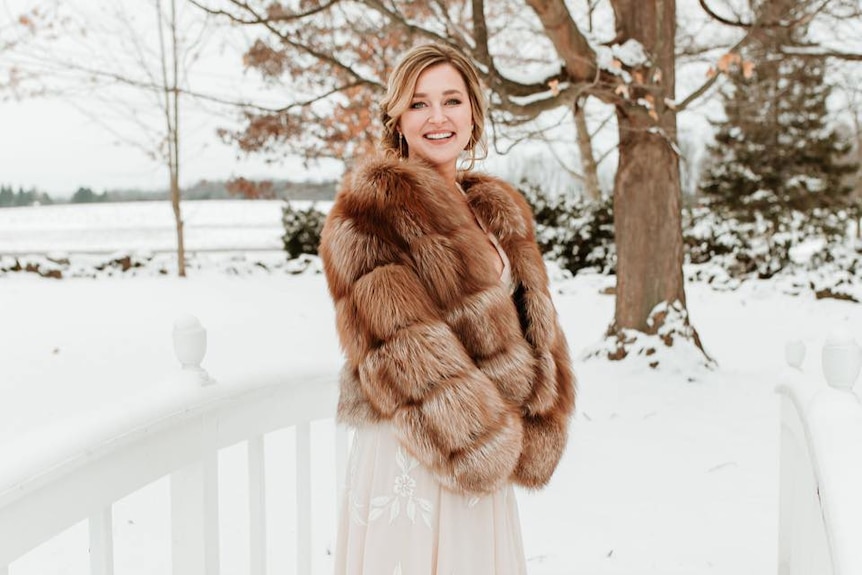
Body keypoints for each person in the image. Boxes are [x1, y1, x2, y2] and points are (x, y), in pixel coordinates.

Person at [320, 43, 575, 575]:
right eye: (418, 103)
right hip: (419, 446)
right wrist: (483, 441)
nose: (438, 117)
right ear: (397, 118)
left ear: (474, 113)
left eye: (452, 100)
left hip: (488, 447)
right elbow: (401, 348)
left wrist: (534, 414)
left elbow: (535, 328)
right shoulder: (370, 212)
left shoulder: (493, 209)